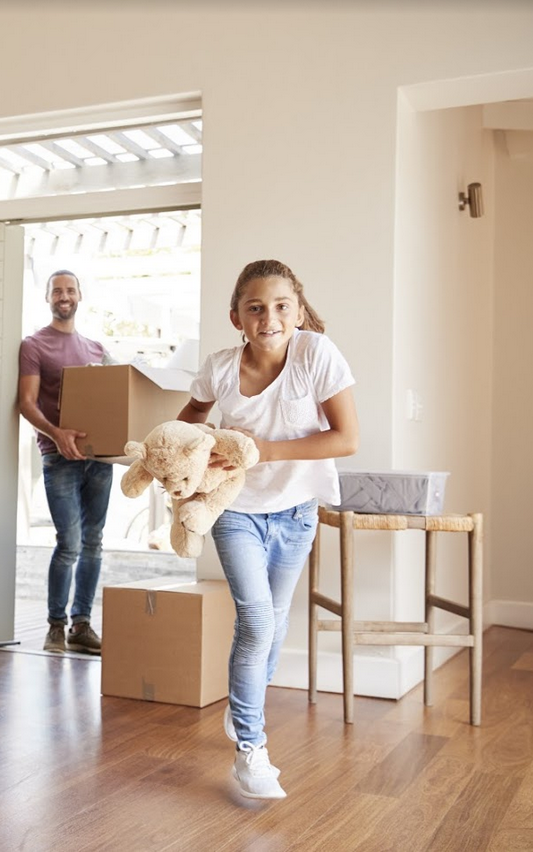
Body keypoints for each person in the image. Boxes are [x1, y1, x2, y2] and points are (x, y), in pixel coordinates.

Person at [177, 259, 358, 800]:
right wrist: (192, 455)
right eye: (255, 308)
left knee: (275, 622)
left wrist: (261, 451)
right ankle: (251, 750)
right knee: (256, 621)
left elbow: (346, 438)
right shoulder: (220, 367)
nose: (269, 317)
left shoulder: (316, 354)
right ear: (237, 317)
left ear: (298, 312)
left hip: (298, 510)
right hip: (236, 511)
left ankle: (242, 704)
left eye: (281, 306)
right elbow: (186, 421)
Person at [17, 270, 111, 655]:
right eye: (58, 290)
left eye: (71, 289)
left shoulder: (97, 350)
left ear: (80, 296)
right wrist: (57, 434)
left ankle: (82, 625)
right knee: (69, 543)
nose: (64, 296)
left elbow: (115, 399)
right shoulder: (34, 345)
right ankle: (56, 625)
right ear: (48, 297)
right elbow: (26, 402)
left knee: (93, 543)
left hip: (98, 459)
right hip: (58, 457)